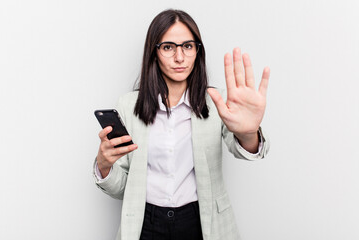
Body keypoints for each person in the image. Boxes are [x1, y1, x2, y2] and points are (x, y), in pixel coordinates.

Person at [93, 9, 270, 240]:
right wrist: (104, 166)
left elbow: (245, 149)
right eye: (168, 47)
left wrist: (248, 134)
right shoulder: (128, 105)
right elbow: (123, 189)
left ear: (197, 50)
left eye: (187, 46)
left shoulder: (217, 103)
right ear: (154, 53)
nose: (179, 57)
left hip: (201, 221)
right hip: (145, 224)